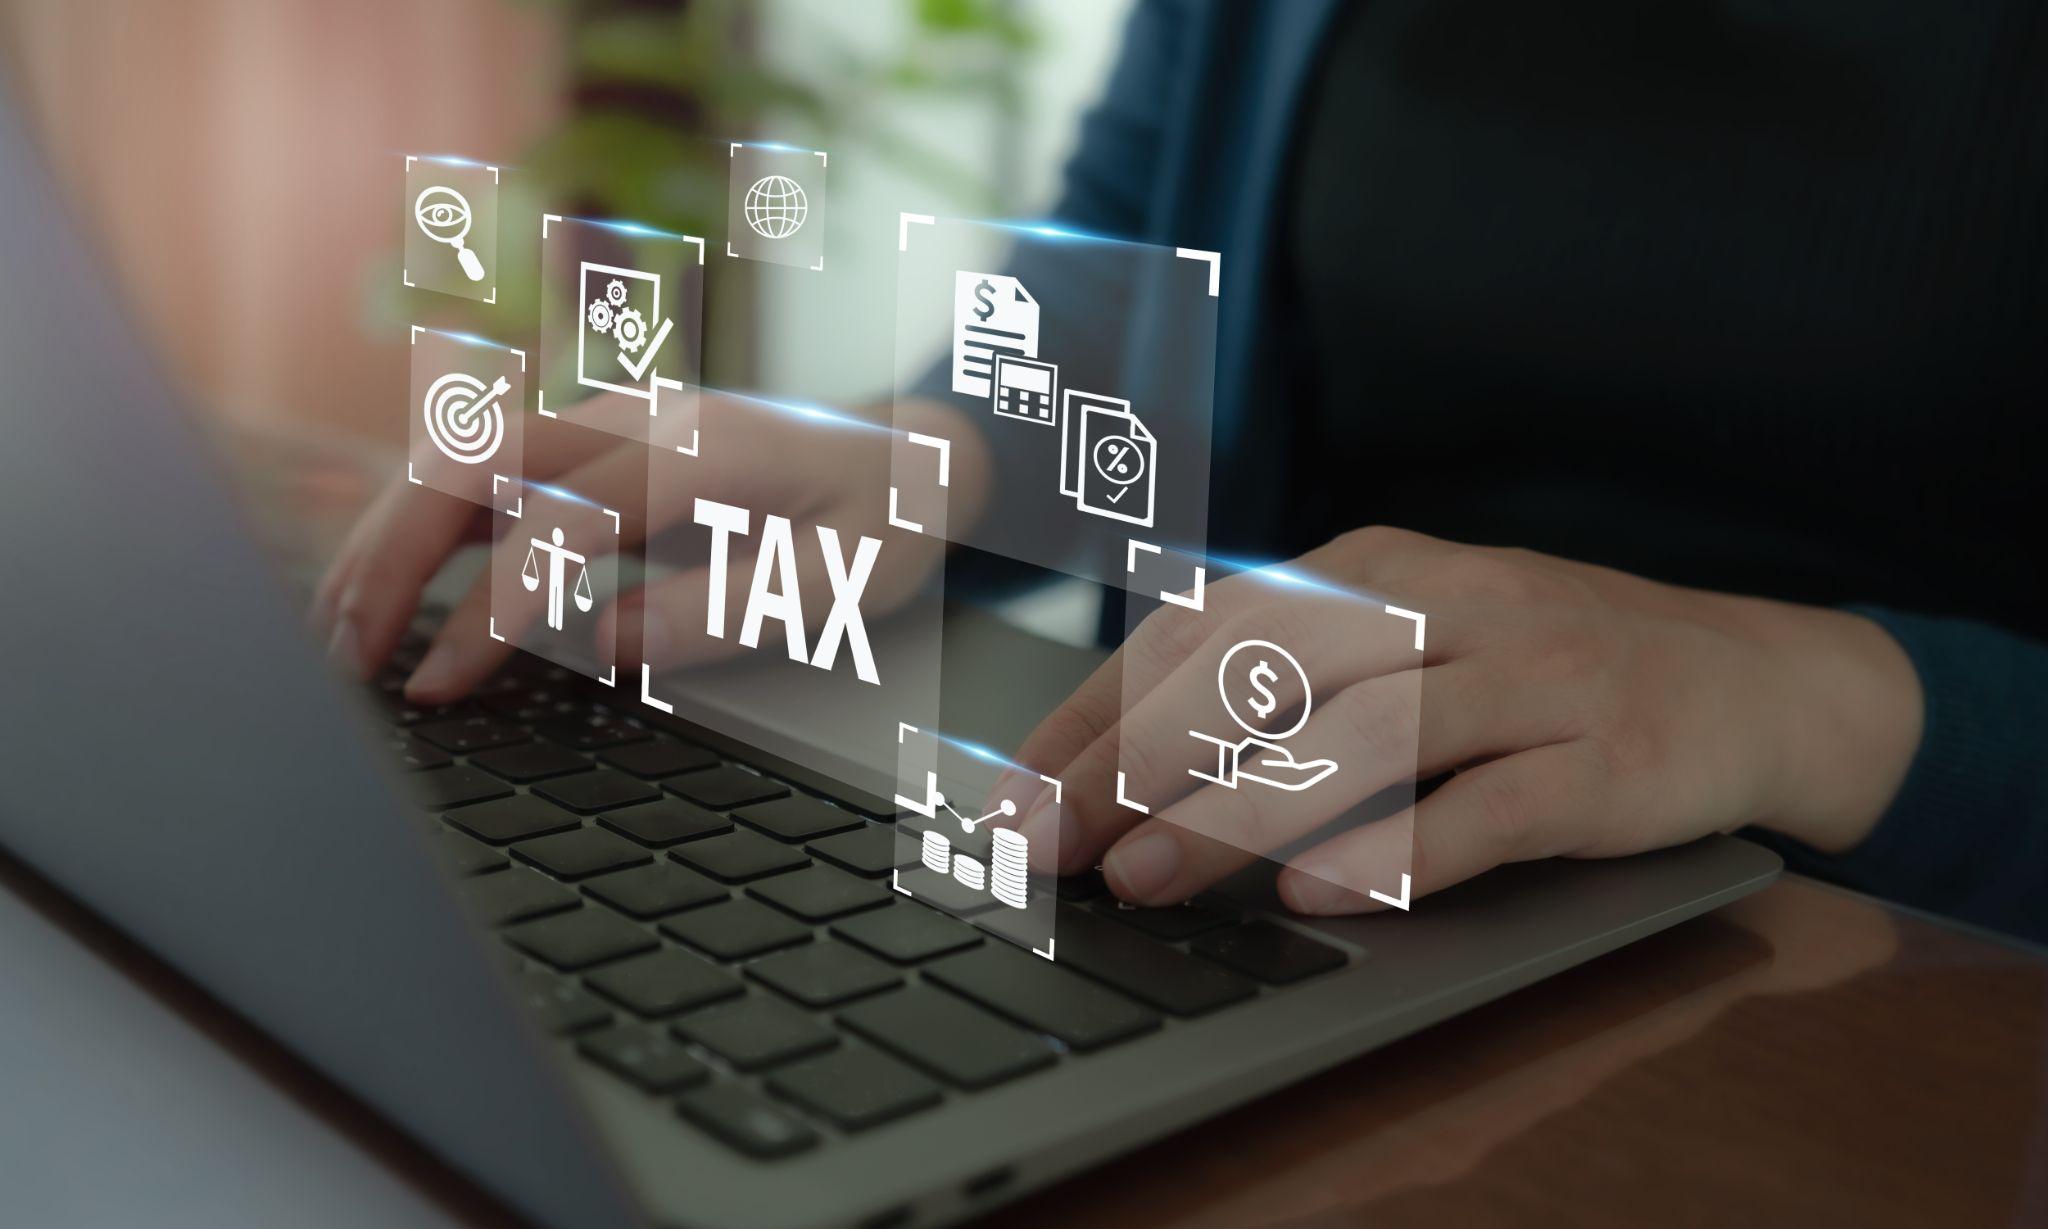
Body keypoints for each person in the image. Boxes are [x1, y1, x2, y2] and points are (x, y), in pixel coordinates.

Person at [317, 0, 2048, 943]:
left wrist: (1802, 694)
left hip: (1874, 998)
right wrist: (932, 452)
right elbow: (1137, 247)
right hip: (1254, 905)